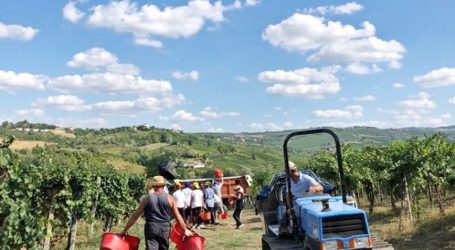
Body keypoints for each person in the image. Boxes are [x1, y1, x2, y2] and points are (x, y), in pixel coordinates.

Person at [121, 176, 192, 250]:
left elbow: (135, 216)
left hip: (151, 227)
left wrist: (125, 230)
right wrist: (185, 230)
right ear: (163, 185)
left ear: (153, 185)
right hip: (164, 228)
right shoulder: (170, 199)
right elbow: (178, 216)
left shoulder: (147, 199)